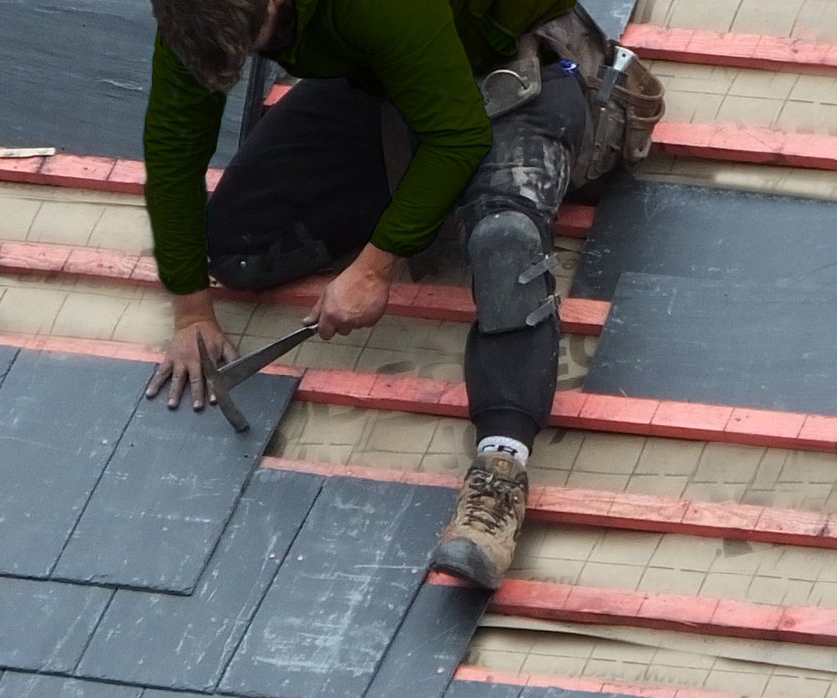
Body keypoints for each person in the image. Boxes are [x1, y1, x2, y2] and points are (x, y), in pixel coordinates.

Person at [139, 0, 661, 588]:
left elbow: (458, 134)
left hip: (520, 64)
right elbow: (173, 149)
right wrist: (189, 309)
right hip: (390, 69)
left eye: (255, 42)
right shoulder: (194, 9)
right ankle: (427, 197)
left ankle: (500, 475)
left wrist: (373, 266)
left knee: (502, 240)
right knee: (239, 243)